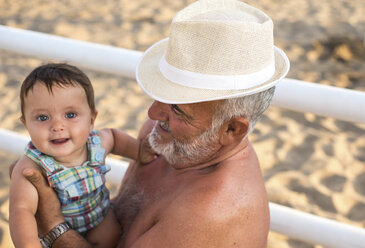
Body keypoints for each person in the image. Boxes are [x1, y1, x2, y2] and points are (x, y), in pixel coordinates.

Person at [14, 0, 290, 247]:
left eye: (178, 108)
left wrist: (52, 224)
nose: (152, 113)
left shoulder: (210, 210)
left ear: (232, 129)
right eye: (161, 96)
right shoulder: (163, 137)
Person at [9, 63, 155, 248]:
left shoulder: (96, 143)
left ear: (92, 120)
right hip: (58, 235)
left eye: (70, 115)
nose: (57, 126)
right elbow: (22, 210)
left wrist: (139, 151)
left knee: (113, 233)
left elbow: (115, 137)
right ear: (26, 124)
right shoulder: (32, 166)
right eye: (43, 118)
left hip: (100, 217)